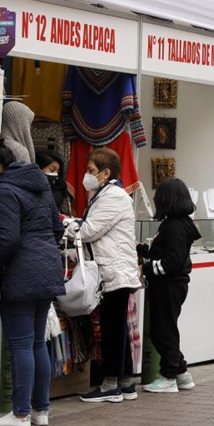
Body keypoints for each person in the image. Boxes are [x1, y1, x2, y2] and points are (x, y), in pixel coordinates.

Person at [0, 133, 65, 426]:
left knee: (21, 344)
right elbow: (57, 229)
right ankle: (41, 410)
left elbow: (7, 239)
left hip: (20, 274)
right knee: (37, 342)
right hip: (47, 270)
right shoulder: (41, 187)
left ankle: (20, 415)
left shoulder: (4, 192)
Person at [65, 148, 143, 403]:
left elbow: (89, 231)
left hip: (115, 272)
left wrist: (66, 224)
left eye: (91, 171)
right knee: (117, 327)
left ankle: (110, 385)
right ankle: (126, 382)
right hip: (113, 270)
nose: (87, 176)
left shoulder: (113, 197)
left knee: (112, 329)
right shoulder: (104, 195)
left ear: (106, 173)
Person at [136, 178, 200, 393]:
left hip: (169, 285)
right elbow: (165, 253)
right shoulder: (178, 224)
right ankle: (181, 374)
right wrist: (143, 249)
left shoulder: (175, 226)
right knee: (165, 330)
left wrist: (146, 268)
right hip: (171, 285)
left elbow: (172, 262)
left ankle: (168, 376)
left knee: (163, 332)